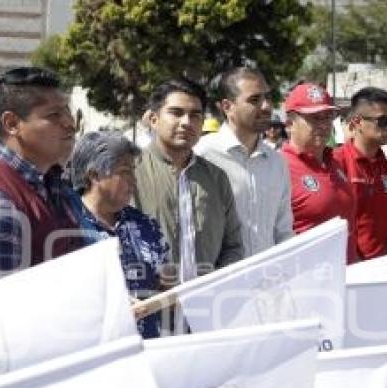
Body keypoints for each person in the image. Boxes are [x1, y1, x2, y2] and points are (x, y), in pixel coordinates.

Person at [0, 66, 82, 288]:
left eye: (67, 111)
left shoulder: (51, 183)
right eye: (54, 115)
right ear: (12, 124)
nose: (70, 123)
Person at [134, 77, 244, 284]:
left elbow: (233, 246)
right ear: (154, 119)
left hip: (208, 306)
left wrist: (217, 286)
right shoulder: (130, 173)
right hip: (149, 307)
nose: (186, 122)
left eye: (195, 115)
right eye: (176, 113)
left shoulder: (216, 178)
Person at [68, 132, 170, 338]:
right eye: (125, 172)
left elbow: (164, 284)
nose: (134, 180)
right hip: (92, 354)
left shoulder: (146, 225)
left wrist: (158, 300)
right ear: (94, 175)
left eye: (133, 171)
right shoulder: (65, 225)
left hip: (147, 350)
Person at [195, 67, 293, 258]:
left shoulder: (276, 162)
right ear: (227, 107)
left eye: (267, 98)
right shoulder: (202, 156)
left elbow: (283, 231)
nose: (266, 106)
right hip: (219, 281)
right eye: (254, 100)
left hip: (269, 280)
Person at [280, 82, 357, 262]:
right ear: (289, 124)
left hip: (347, 277)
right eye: (314, 118)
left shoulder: (335, 162)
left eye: (328, 117)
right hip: (307, 281)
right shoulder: (279, 167)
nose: (323, 125)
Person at [334, 87, 387, 259]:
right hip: (347, 269)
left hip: (384, 270)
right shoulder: (336, 163)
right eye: (382, 121)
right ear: (357, 122)